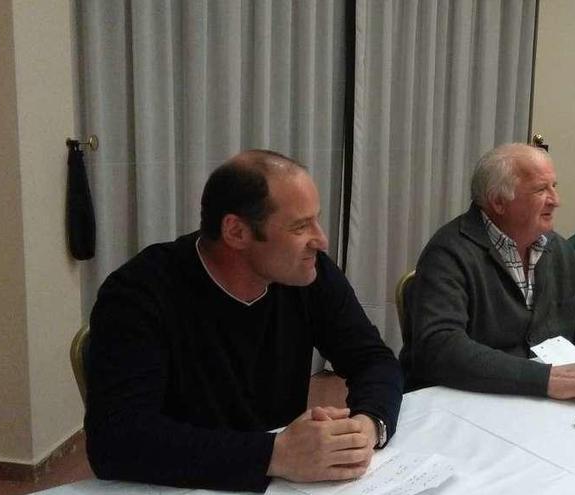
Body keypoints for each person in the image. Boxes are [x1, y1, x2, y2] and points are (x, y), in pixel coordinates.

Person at [85, 150, 402, 492]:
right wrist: (275, 454)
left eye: (316, 220)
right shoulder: (139, 293)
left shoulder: (310, 275)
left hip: (281, 484)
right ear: (236, 232)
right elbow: (116, 440)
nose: (321, 240)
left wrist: (367, 426)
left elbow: (373, 360)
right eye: (300, 226)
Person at [400, 143, 575, 403]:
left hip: (541, 405)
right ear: (498, 201)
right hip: (466, 406)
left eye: (555, 187)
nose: (556, 200)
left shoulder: (552, 246)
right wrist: (546, 379)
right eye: (541, 189)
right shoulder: (449, 253)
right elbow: (440, 348)